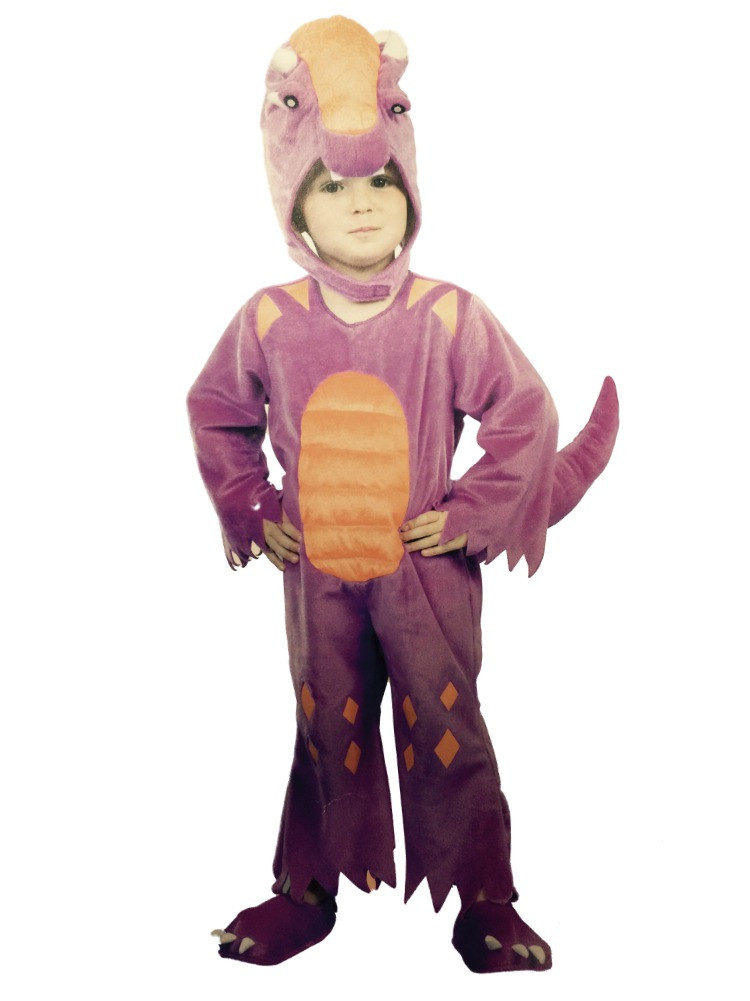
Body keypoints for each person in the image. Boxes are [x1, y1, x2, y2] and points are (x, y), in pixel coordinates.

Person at [188, 15, 618, 973]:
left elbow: (525, 414)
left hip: (427, 573)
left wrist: (469, 514)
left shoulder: (447, 316)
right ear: (296, 209)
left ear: (410, 188)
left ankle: (486, 900)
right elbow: (217, 412)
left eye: (381, 182)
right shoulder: (269, 320)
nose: (362, 204)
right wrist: (254, 507)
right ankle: (306, 889)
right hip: (319, 579)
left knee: (447, 720)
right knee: (323, 725)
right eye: (334, 187)